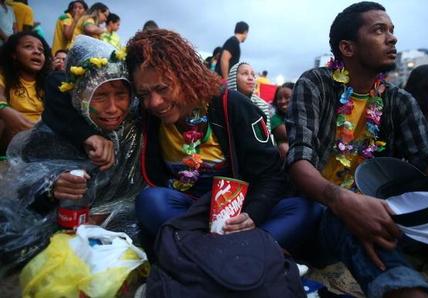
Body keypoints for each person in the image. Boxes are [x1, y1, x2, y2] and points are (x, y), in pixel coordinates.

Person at [42, 29, 319, 255]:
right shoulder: (146, 113)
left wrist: (253, 216)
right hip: (187, 213)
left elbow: (270, 176)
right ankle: (239, 255)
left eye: (163, 88)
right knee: (151, 201)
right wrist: (86, 135)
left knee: (305, 209)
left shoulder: (231, 106)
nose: (155, 102)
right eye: (144, 93)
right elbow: (57, 84)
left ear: (187, 75)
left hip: (239, 216)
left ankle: (210, 253)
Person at [286, 2, 428, 297]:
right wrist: (345, 202)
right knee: (348, 217)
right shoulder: (315, 83)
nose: (392, 38)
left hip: (388, 209)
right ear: (347, 48)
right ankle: (407, 290)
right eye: (379, 30)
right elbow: (299, 161)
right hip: (325, 210)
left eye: (392, 31)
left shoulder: (398, 99)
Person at [0, 35, 144, 237]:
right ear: (79, 95)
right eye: (100, 96)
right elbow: (22, 194)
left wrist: (104, 217)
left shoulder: (133, 130)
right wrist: (51, 188)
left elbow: (135, 193)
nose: (112, 108)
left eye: (120, 95)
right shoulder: (50, 135)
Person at [0, 31, 51, 153]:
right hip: (11, 140)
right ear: (14, 54)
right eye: (28, 46)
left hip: (43, 138)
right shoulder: (3, 76)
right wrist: (4, 109)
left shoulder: (49, 81)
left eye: (41, 50)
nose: (37, 52)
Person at [227, 61, 273, 135]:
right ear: (233, 78)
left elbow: (266, 137)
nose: (251, 78)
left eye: (253, 75)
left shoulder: (262, 105)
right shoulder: (224, 103)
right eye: (245, 73)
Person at [271, 82, 294, 159]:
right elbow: (292, 136)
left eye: (287, 97)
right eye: (279, 98)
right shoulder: (274, 119)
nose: (282, 101)